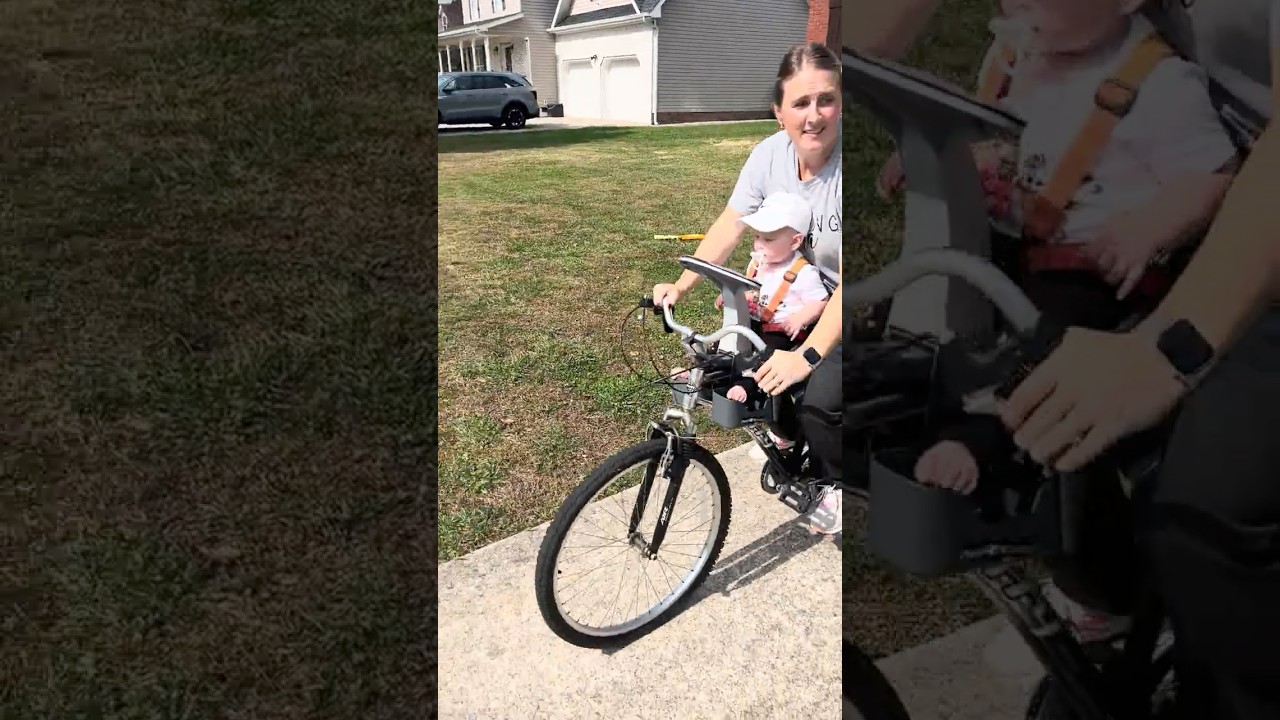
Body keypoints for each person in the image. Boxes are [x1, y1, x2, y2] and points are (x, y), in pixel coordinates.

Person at [847, 0, 1280, 717]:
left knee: (1208, 512)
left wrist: (1165, 340)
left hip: (1142, 260)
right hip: (1068, 250)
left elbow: (1214, 175)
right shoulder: (1029, 59)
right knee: (961, 369)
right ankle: (1107, 597)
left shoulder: (1158, 85)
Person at [653, 42, 845, 535]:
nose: (814, 116)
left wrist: (807, 357)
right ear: (779, 111)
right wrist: (683, 284)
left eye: (826, 100)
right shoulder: (769, 155)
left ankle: (837, 482)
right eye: (800, 103)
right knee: (746, 363)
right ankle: (789, 440)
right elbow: (731, 224)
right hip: (794, 293)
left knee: (822, 396)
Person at [721, 191, 830, 420]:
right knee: (728, 338)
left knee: (766, 355)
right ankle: (709, 370)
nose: (759, 245)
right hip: (757, 322)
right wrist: (736, 298)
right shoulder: (758, 265)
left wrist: (801, 318)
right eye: (756, 237)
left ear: (795, 241)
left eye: (768, 240)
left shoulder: (803, 273)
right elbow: (752, 291)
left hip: (782, 331)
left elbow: (820, 301)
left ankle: (748, 385)